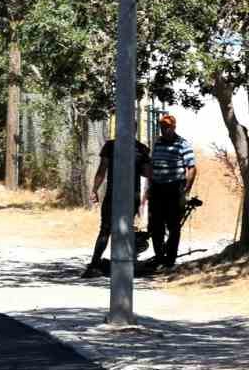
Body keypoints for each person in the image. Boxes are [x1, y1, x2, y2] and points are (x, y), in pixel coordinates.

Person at [84, 134, 150, 277]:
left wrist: (95, 189)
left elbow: (102, 169)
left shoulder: (111, 146)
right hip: (130, 196)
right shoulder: (140, 148)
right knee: (124, 230)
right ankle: (123, 265)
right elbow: (147, 172)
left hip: (114, 195)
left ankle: (94, 265)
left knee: (105, 229)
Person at [147, 113, 197, 270]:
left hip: (174, 188)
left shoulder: (183, 144)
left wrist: (186, 189)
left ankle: (170, 260)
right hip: (157, 188)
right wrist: (150, 186)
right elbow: (152, 165)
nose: (164, 129)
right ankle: (159, 258)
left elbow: (192, 168)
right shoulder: (158, 143)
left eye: (167, 127)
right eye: (162, 127)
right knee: (156, 225)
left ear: (174, 127)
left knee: (173, 226)